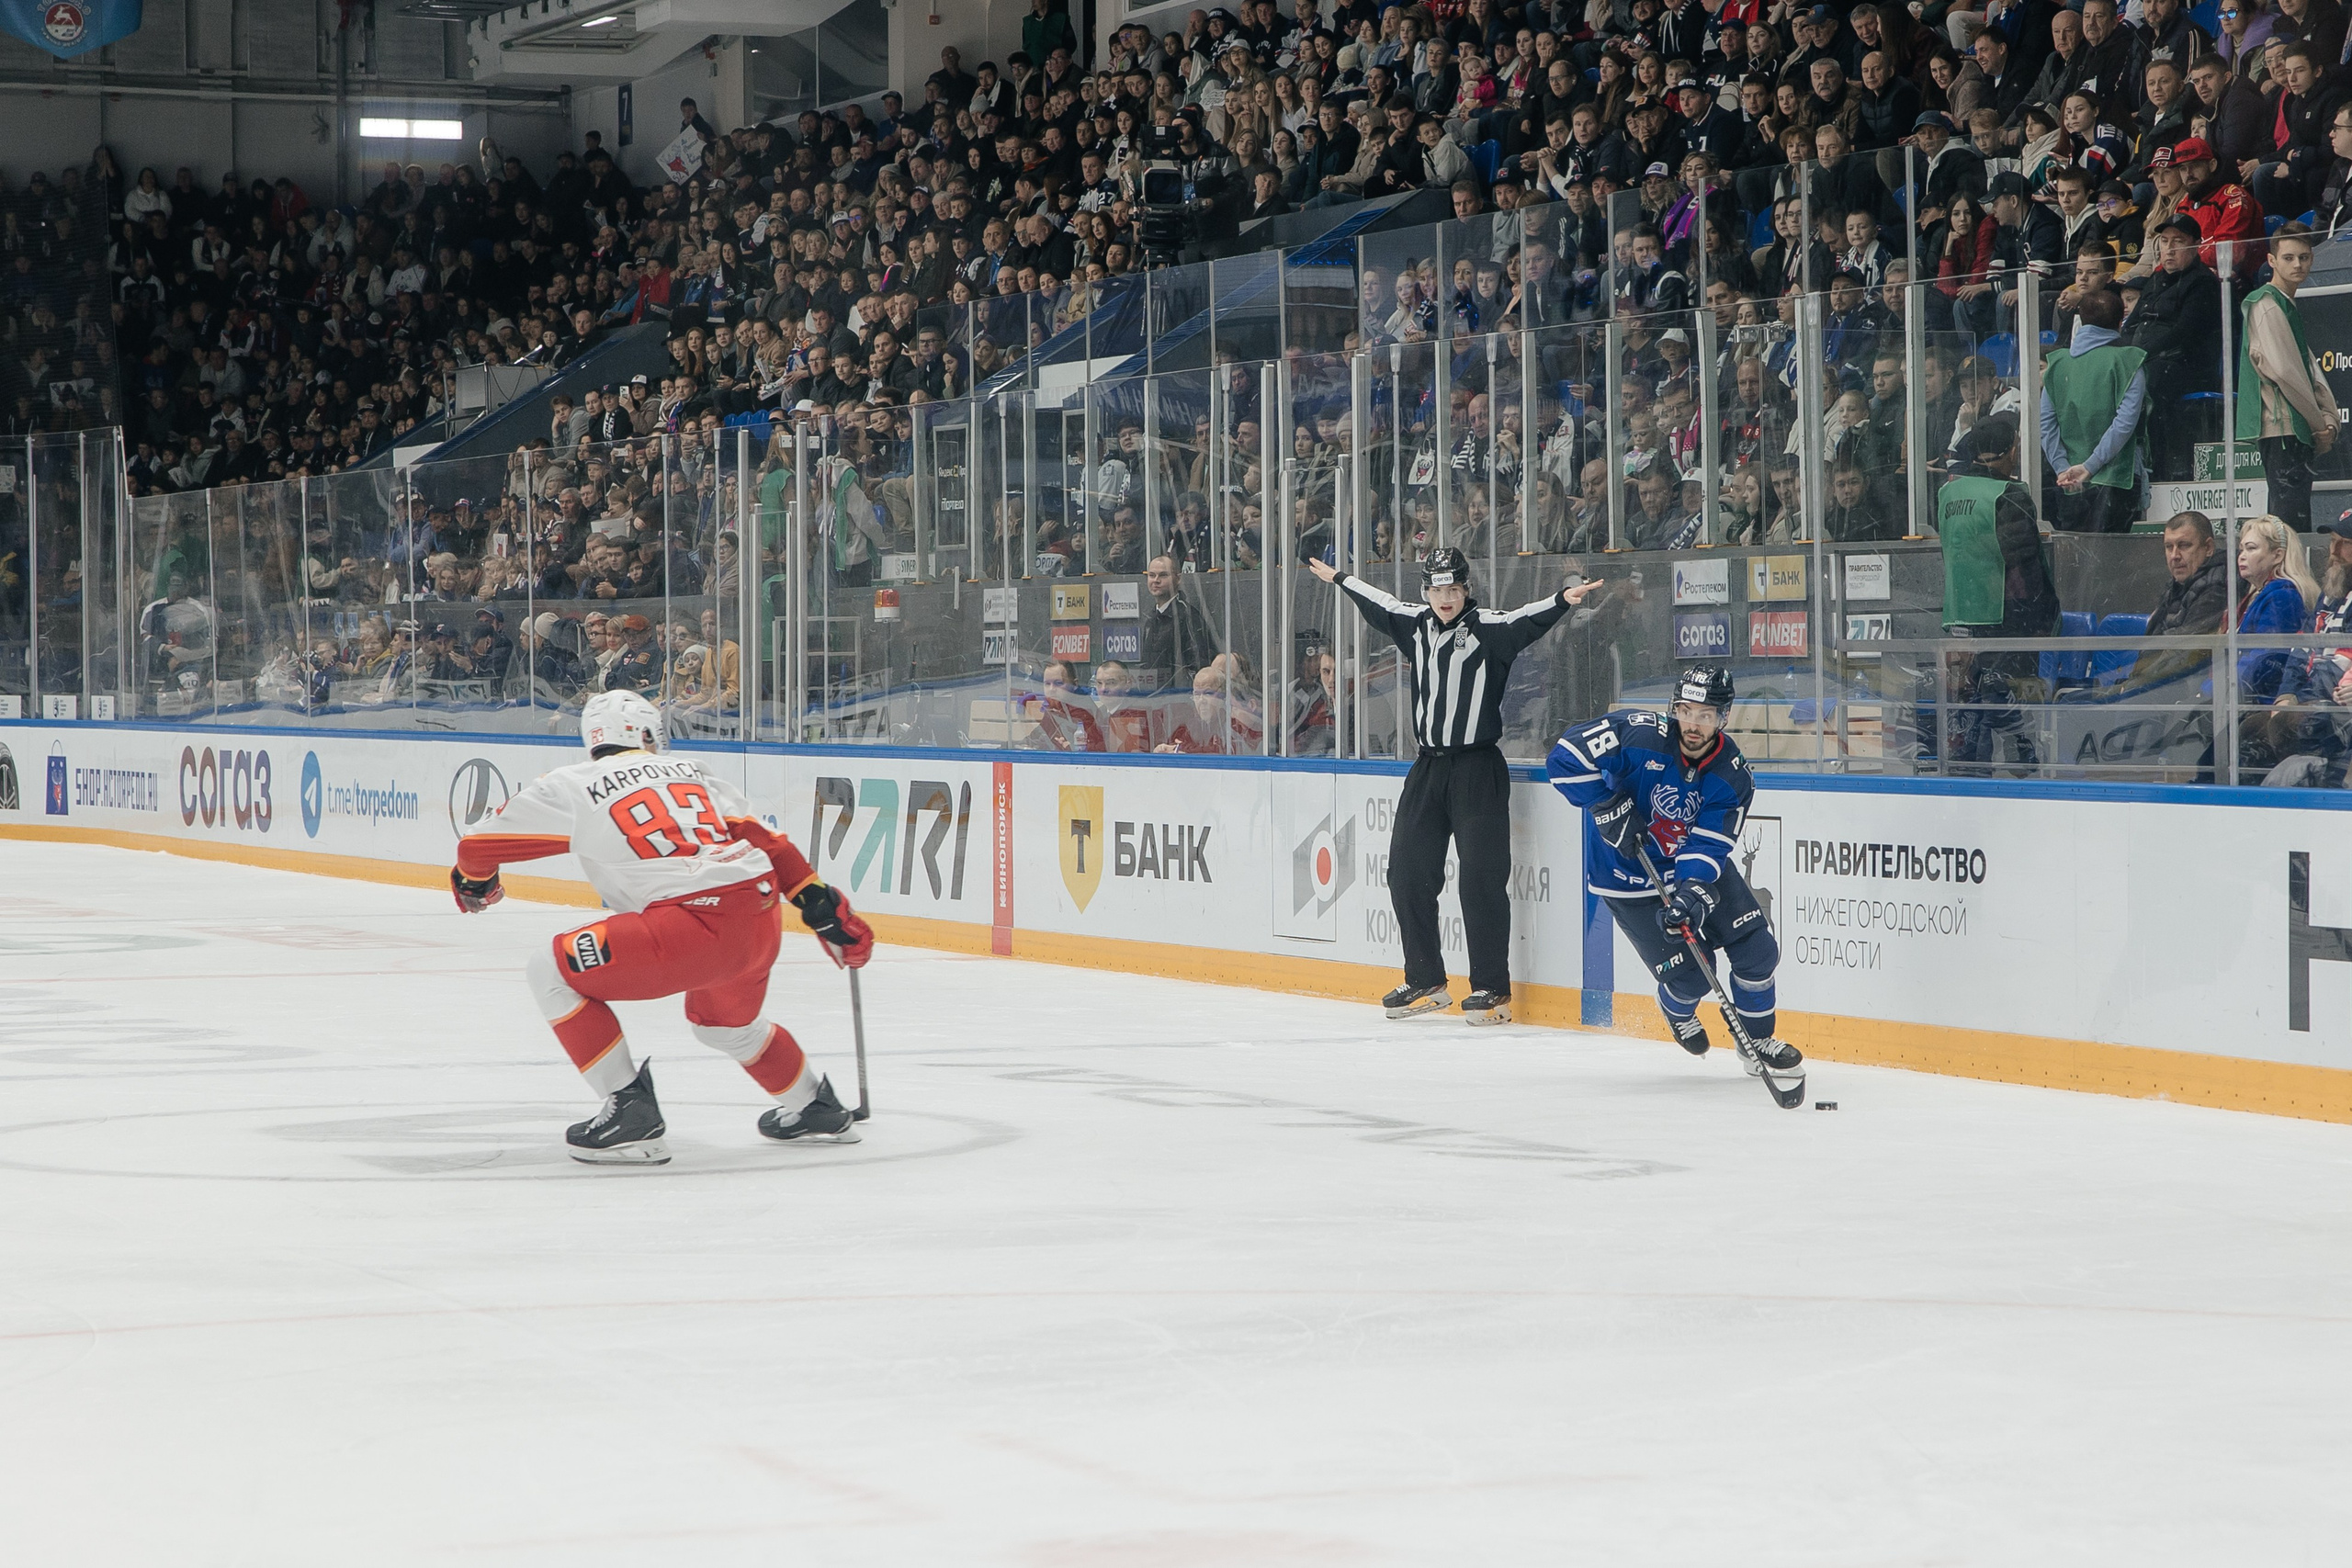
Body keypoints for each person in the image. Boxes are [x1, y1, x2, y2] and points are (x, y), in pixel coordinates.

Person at [448, 690, 874, 1163]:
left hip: (694, 921)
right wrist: (821, 907)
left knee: (550, 969)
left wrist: (474, 883)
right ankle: (814, 1106)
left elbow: (477, 846)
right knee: (726, 1028)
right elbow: (772, 846)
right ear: (648, 733)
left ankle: (630, 1110)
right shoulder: (693, 771)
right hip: (758, 916)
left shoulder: (572, 782)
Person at [1306, 546, 1598, 1025]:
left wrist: (1565, 598)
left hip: (1478, 768)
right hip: (1428, 768)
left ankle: (1490, 989)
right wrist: (1339, 578)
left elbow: (1530, 618)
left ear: (1467, 591)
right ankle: (1426, 979)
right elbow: (1378, 603)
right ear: (1427, 591)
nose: (1445, 598)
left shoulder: (1489, 629)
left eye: (1454, 589)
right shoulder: (1415, 624)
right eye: (1437, 589)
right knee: (1405, 874)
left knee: (1482, 881)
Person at [1544, 663, 1806, 1102]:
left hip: (1689, 870)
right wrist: (1605, 804)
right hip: (1627, 878)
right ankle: (1675, 1007)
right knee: (1691, 980)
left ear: (1724, 717)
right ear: (1674, 709)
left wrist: (1692, 894)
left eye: (1706, 715)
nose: (1694, 724)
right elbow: (1564, 759)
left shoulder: (1733, 774)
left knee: (1759, 951)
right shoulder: (1637, 732)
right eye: (1686, 711)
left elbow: (1707, 845)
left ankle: (1755, 1042)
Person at [1938, 414, 2060, 770]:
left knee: (1968, 717)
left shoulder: (1947, 492)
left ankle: (1969, 780)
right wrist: (2046, 618)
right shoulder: (2008, 495)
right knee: (2013, 719)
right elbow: (2025, 572)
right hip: (2007, 623)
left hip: (1959, 617)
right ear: (2012, 450)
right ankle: (2020, 782)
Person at [2239, 223, 2339, 532]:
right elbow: (2286, 373)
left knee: (2292, 522)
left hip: (2290, 430)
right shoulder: (2267, 304)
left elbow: (2305, 370)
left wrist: (2327, 420)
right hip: (2284, 429)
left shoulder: (2284, 304)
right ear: (2271, 261)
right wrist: (2319, 424)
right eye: (2289, 257)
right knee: (2289, 526)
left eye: (2304, 257)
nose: (2298, 264)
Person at [2038, 287, 2147, 533]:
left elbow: (2046, 424)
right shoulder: (2129, 362)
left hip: (2069, 483)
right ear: (2120, 323)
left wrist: (2063, 469)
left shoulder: (2057, 364)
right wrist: (2090, 466)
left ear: (2080, 320)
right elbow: (2125, 423)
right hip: (2118, 479)